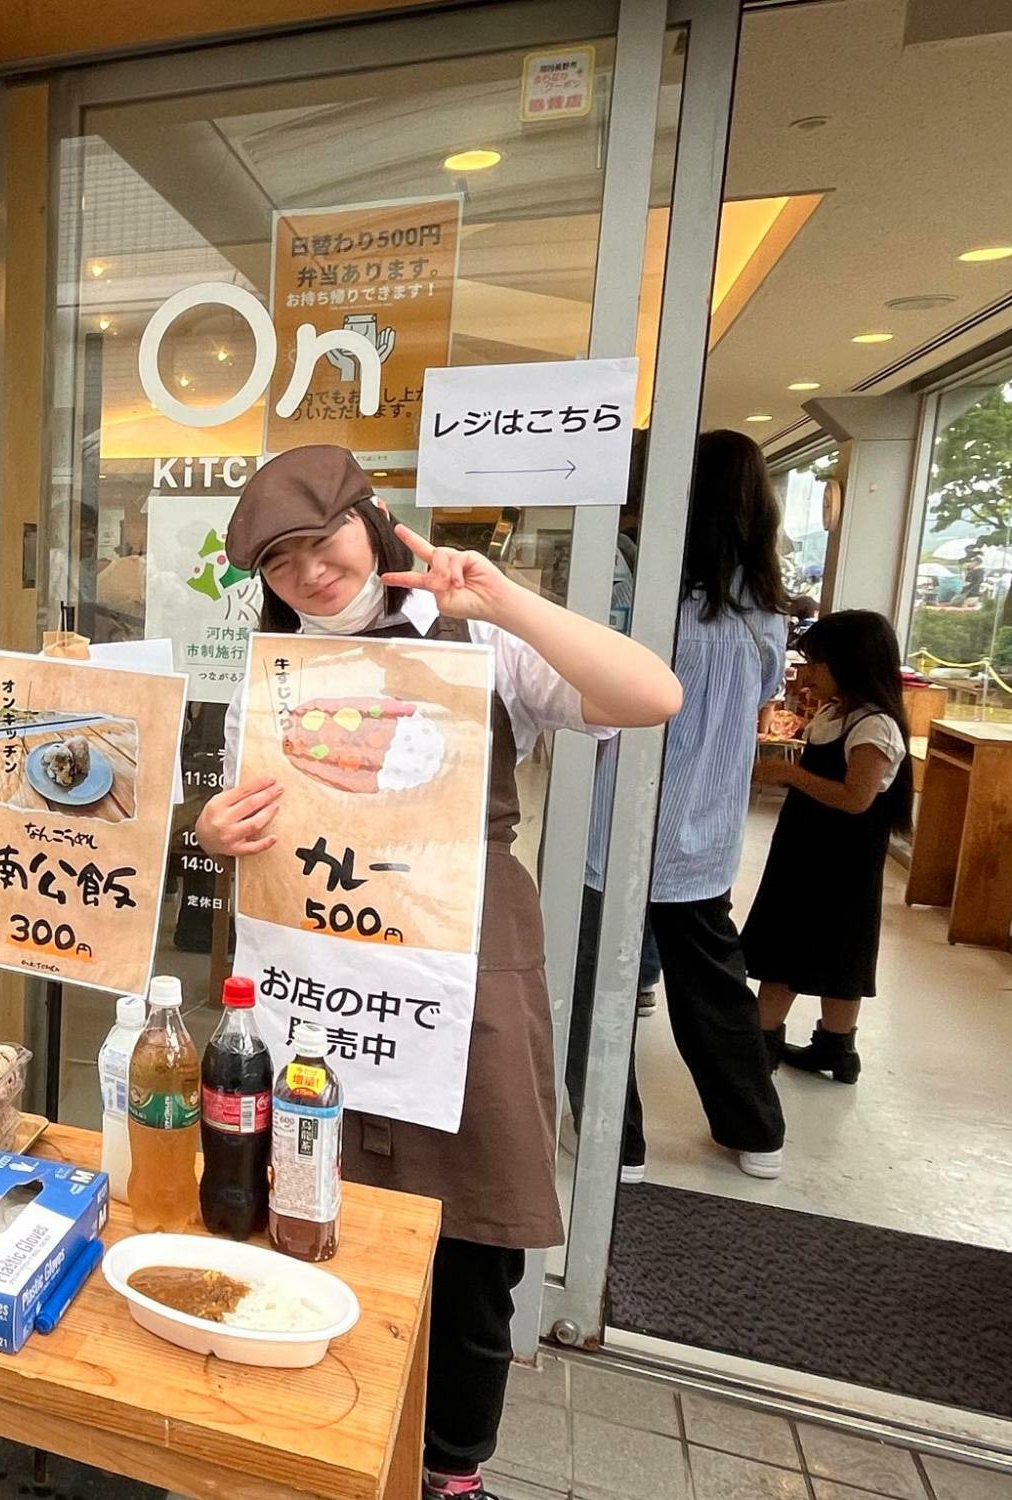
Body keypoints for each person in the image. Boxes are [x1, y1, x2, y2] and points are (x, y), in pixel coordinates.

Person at [194, 446, 681, 1500]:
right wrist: (211, 829)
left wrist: (505, 602)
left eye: (319, 541)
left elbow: (650, 695)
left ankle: (449, 1471)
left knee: (471, 1235)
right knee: (305, 1207)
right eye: (277, 564)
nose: (308, 574)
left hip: (464, 974)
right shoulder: (266, 678)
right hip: (314, 975)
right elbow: (248, 824)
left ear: (369, 523)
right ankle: (314, 1433)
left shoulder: (478, 639)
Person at [571, 430, 790, 1183]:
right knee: (714, 989)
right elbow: (759, 704)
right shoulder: (766, 610)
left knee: (597, 984)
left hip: (616, 821)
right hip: (708, 829)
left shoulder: (647, 596)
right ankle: (756, 1131)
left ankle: (615, 1142)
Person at [745, 610, 914, 1084]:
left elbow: (855, 799)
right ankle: (832, 1047)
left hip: (839, 862)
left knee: (813, 950)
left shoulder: (874, 726)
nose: (807, 673)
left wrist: (789, 773)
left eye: (817, 663)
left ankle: (767, 1043)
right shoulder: (837, 712)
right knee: (811, 944)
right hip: (806, 851)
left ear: (851, 663)